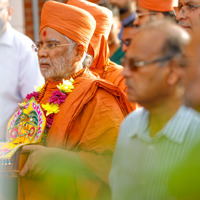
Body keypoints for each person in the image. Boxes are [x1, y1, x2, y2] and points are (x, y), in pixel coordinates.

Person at [17, 1, 132, 199]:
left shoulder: (99, 98)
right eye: (40, 45)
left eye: (52, 45)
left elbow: (117, 164)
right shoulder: (39, 96)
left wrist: (58, 159)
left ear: (79, 51)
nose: (42, 52)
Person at [109, 19, 200, 200]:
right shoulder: (129, 125)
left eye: (136, 64)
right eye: (125, 63)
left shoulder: (195, 132)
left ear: (173, 71)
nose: (125, 73)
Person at [0, 0, 43, 141]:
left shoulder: (24, 48)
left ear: (10, 12)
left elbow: (32, 98)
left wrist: (11, 137)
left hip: (8, 144)